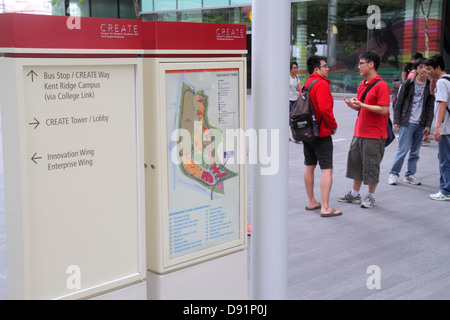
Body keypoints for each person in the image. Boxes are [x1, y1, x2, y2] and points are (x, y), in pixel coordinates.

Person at [338, 51, 391, 208]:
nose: (358, 67)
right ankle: (354, 194)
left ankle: (371, 196)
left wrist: (361, 105)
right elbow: (362, 108)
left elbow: (383, 109)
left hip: (374, 134)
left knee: (371, 166)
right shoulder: (362, 84)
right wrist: (353, 105)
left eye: (361, 63)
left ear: (371, 64)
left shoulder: (381, 85)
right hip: (359, 131)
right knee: (356, 164)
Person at [302, 56, 341, 217]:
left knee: (309, 165)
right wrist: (333, 126)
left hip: (307, 132)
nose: (328, 69)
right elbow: (325, 110)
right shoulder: (321, 84)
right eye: (325, 66)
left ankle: (312, 201)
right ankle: (325, 207)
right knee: (326, 170)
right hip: (321, 133)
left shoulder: (306, 84)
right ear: (316, 69)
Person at [387, 58, 435, 186]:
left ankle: (409, 175)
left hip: (421, 123)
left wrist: (428, 124)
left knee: (415, 152)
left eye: (426, 67)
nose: (424, 70)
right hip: (407, 122)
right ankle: (393, 173)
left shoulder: (430, 85)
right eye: (421, 67)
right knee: (402, 150)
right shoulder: (408, 83)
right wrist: (397, 120)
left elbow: (430, 107)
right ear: (416, 69)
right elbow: (399, 103)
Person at [424, 55, 450, 201]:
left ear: (438, 68)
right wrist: (433, 78)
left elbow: (442, 103)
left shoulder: (442, 83)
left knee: (445, 161)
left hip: (446, 129)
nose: (427, 72)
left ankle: (446, 191)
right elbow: (432, 92)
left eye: (429, 69)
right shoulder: (447, 79)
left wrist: (438, 127)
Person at [289, 61, 301, 142]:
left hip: (295, 99)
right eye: (294, 68)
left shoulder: (296, 77)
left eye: (296, 68)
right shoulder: (287, 77)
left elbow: (300, 88)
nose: (296, 69)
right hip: (288, 100)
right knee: (288, 119)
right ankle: (286, 135)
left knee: (295, 118)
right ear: (290, 69)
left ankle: (296, 135)